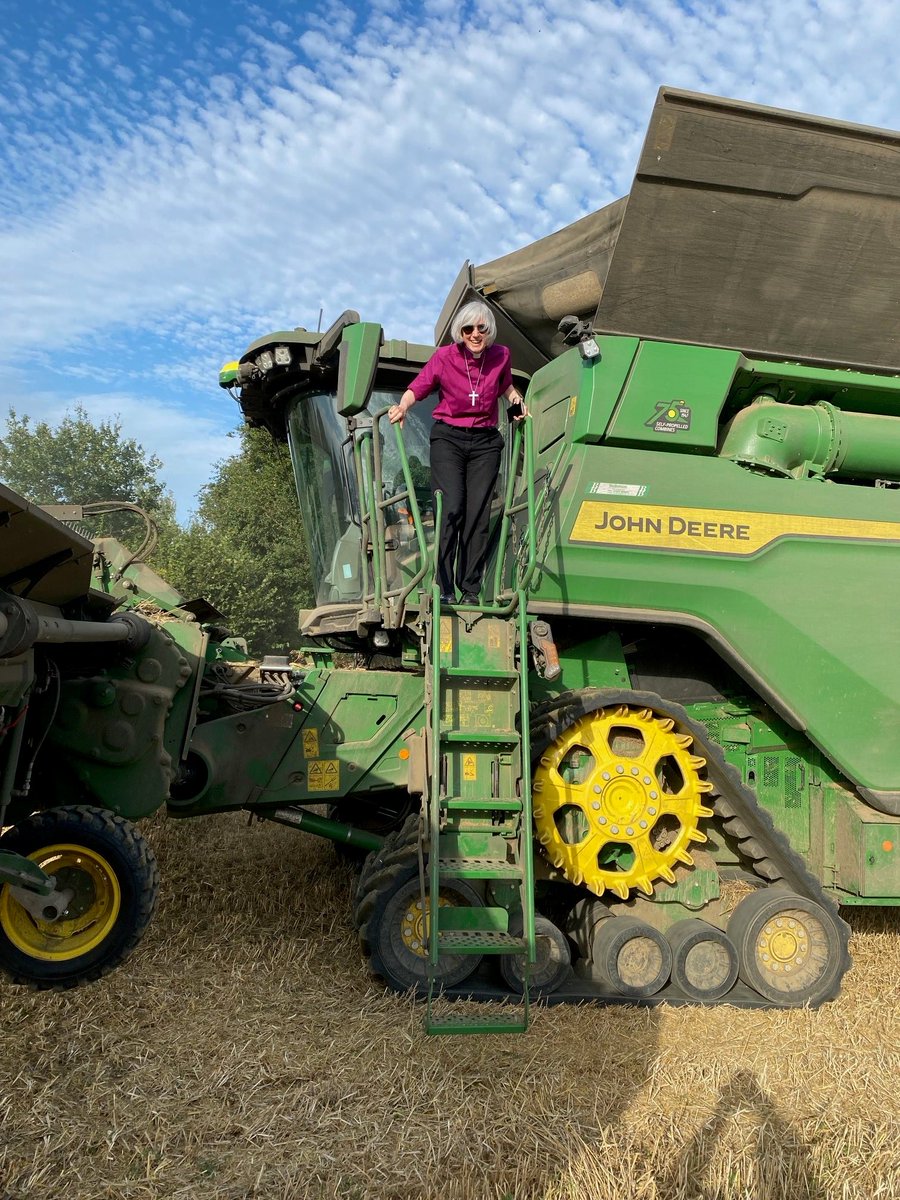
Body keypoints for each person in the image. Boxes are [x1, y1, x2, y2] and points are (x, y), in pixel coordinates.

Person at [388, 300, 526, 604]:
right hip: (449, 439)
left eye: (481, 328)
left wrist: (517, 401)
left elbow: (506, 388)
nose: (475, 334)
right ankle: (446, 588)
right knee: (451, 508)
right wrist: (403, 406)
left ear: (489, 330)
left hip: (485, 442)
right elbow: (418, 387)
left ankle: (471, 591)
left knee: (478, 516)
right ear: (459, 332)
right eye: (468, 328)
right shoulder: (444, 357)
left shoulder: (501, 356)